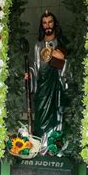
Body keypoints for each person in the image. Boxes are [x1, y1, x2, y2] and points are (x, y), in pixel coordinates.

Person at [28, 10, 68, 155]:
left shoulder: (61, 43)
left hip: (56, 85)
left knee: (56, 114)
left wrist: (63, 59)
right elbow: (34, 66)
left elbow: (69, 65)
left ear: (54, 23)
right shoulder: (38, 45)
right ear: (42, 25)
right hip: (42, 87)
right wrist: (29, 75)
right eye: (44, 23)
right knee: (41, 115)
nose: (47, 25)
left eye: (50, 22)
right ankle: (41, 146)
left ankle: (54, 146)